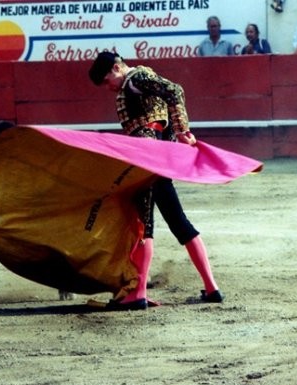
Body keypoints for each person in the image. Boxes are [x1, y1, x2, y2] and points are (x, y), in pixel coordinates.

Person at [88, 51, 225, 310]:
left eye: (107, 80)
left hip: (147, 161)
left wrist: (183, 131)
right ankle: (211, 287)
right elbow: (163, 115)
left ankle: (138, 292)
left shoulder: (135, 80)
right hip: (157, 159)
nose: (108, 88)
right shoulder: (142, 79)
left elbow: (175, 90)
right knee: (179, 223)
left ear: (117, 67)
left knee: (144, 224)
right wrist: (172, 142)